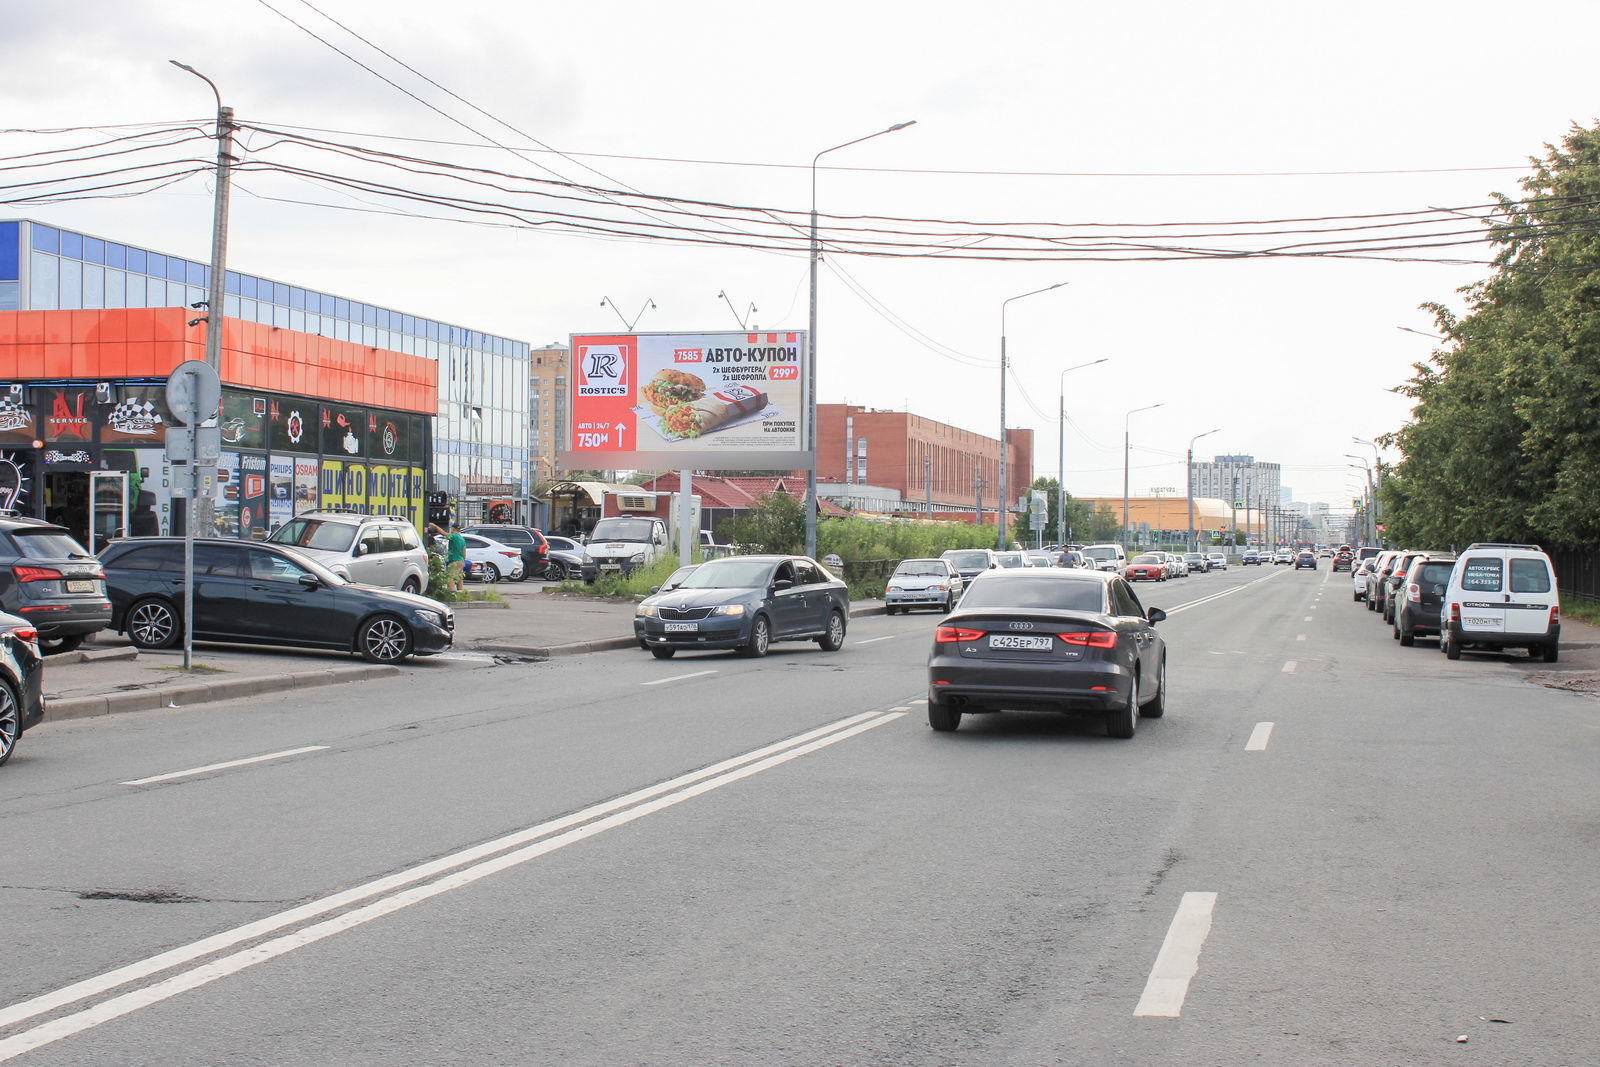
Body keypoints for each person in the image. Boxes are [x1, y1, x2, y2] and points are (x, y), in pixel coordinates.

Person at [446, 523, 468, 591]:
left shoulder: (453, 536)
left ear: (453, 529)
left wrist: (435, 526)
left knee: (450, 578)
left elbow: (444, 534)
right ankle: (460, 593)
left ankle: (451, 593)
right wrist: (463, 561)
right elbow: (464, 552)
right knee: (459, 578)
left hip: (454, 561)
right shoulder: (462, 539)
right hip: (461, 561)